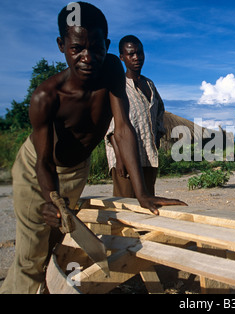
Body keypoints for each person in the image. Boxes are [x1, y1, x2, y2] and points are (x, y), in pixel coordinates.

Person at [0, 2, 185, 294]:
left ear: (107, 45)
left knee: (56, 242)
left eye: (96, 47)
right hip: (37, 167)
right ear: (62, 45)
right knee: (31, 251)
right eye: (77, 49)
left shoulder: (111, 68)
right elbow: (44, 162)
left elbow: (123, 129)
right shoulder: (46, 97)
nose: (88, 57)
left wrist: (142, 194)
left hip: (77, 168)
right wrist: (52, 199)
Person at [106, 35, 165, 197]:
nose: (136, 58)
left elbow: (160, 111)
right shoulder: (118, 86)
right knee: (126, 204)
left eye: (139, 53)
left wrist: (158, 136)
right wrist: (120, 157)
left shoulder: (150, 84)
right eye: (131, 54)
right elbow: (112, 127)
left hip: (148, 156)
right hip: (125, 158)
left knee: (147, 202)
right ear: (122, 57)